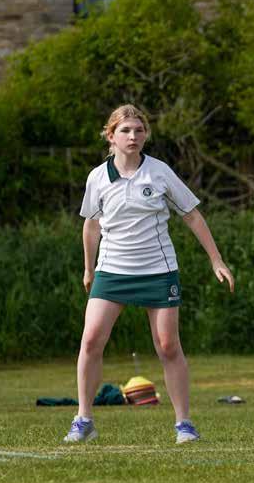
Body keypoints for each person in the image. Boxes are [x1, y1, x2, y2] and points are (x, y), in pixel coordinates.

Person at [63, 104, 234, 444]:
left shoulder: (159, 172)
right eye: (125, 130)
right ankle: (84, 419)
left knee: (168, 346)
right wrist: (88, 269)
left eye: (139, 130)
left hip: (158, 270)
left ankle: (184, 424)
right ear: (111, 136)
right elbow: (91, 226)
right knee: (91, 339)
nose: (133, 136)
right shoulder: (98, 177)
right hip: (111, 270)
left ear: (145, 136)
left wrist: (216, 260)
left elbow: (192, 215)